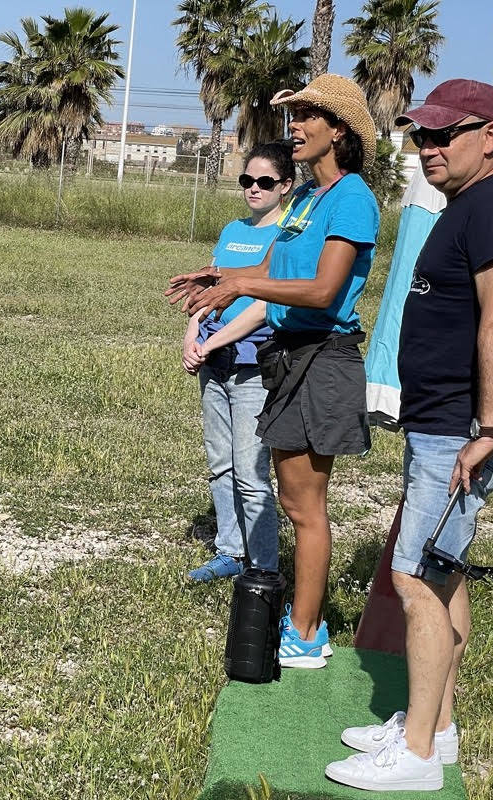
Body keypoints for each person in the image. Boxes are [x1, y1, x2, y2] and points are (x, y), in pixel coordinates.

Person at [326, 79, 493, 791]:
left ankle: (415, 756)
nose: (429, 147)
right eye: (423, 134)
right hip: (444, 425)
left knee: (413, 575)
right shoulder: (467, 206)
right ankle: (436, 729)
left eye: (447, 134)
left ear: (492, 135)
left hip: (462, 431)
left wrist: (485, 427)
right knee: (442, 575)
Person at [167, 75, 380, 669]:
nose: (296, 125)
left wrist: (241, 284)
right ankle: (300, 617)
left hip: (322, 358)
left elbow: (322, 287)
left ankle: (307, 634)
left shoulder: (352, 198)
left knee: (307, 507)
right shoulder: (309, 198)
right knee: (292, 500)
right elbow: (272, 259)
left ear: (340, 129)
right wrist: (219, 276)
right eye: (296, 113)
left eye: (310, 115)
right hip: (288, 356)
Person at [179, 142, 293, 584]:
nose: (254, 189)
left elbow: (264, 305)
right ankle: (230, 550)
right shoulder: (231, 231)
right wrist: (193, 334)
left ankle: (263, 565)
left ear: (285, 186)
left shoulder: (287, 236)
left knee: (251, 470)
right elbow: (207, 292)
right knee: (220, 463)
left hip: (253, 366)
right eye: (247, 180)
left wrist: (215, 341)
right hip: (214, 362)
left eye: (265, 182)